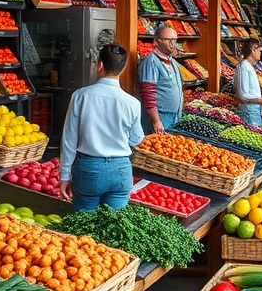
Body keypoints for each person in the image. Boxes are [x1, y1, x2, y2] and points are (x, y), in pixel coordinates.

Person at [60, 45, 144, 212]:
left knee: (85, 229)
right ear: (123, 68)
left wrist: (65, 175)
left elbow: (69, 140)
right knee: (113, 229)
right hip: (121, 169)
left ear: (99, 65)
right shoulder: (132, 103)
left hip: (90, 169)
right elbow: (136, 139)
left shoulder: (80, 96)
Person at [138, 25, 183, 134]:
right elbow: (148, 93)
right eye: (169, 40)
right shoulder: (152, 62)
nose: (173, 44)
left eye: (175, 40)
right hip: (161, 117)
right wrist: (156, 121)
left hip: (174, 116)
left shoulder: (171, 60)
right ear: (157, 41)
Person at [234, 39, 262, 126]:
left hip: (254, 111)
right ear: (252, 50)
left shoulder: (249, 66)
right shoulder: (244, 67)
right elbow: (243, 95)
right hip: (249, 113)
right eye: (259, 49)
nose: (260, 51)